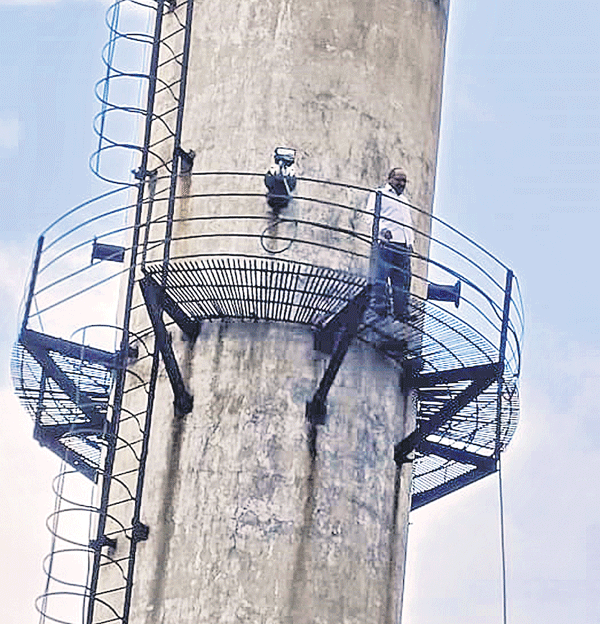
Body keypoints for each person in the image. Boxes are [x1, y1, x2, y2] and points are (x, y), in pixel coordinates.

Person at [367, 168, 415, 320]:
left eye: (404, 181)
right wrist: (381, 231)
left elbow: (407, 223)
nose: (401, 183)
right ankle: (379, 307)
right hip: (387, 242)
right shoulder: (379, 194)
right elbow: (370, 215)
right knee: (381, 275)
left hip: (403, 246)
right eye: (398, 179)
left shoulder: (405, 201)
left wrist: (410, 241)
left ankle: (401, 312)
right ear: (389, 179)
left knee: (403, 280)